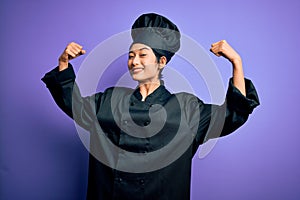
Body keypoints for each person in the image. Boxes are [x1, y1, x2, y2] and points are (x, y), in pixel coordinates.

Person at [42, 13, 259, 200]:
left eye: (142, 55)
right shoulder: (110, 99)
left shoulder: (186, 107)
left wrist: (236, 62)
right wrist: (64, 64)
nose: (134, 61)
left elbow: (232, 114)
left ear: (161, 62)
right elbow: (75, 106)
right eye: (131, 56)